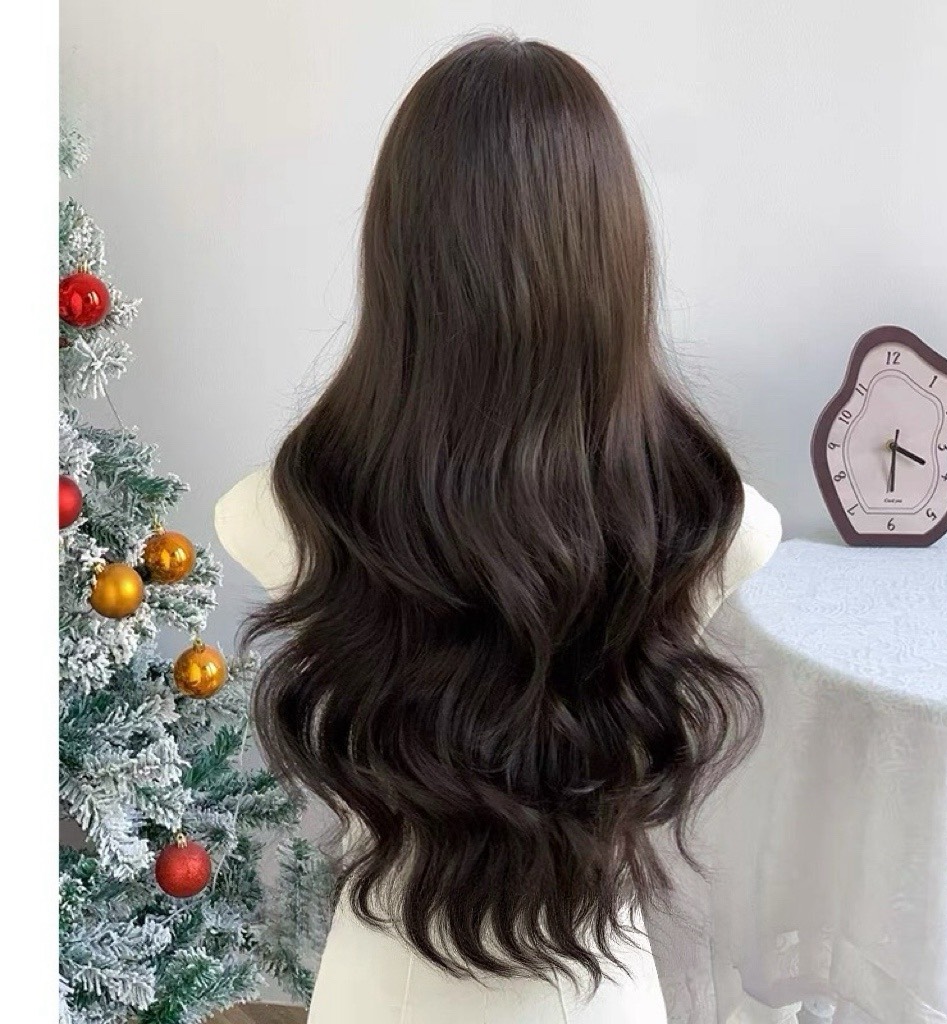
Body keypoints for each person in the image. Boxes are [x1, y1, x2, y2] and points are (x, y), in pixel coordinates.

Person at [216, 32, 782, 1024]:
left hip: (387, 987)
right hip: (588, 990)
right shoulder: (707, 518)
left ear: (399, 253)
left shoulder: (285, 507)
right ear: (613, 252)